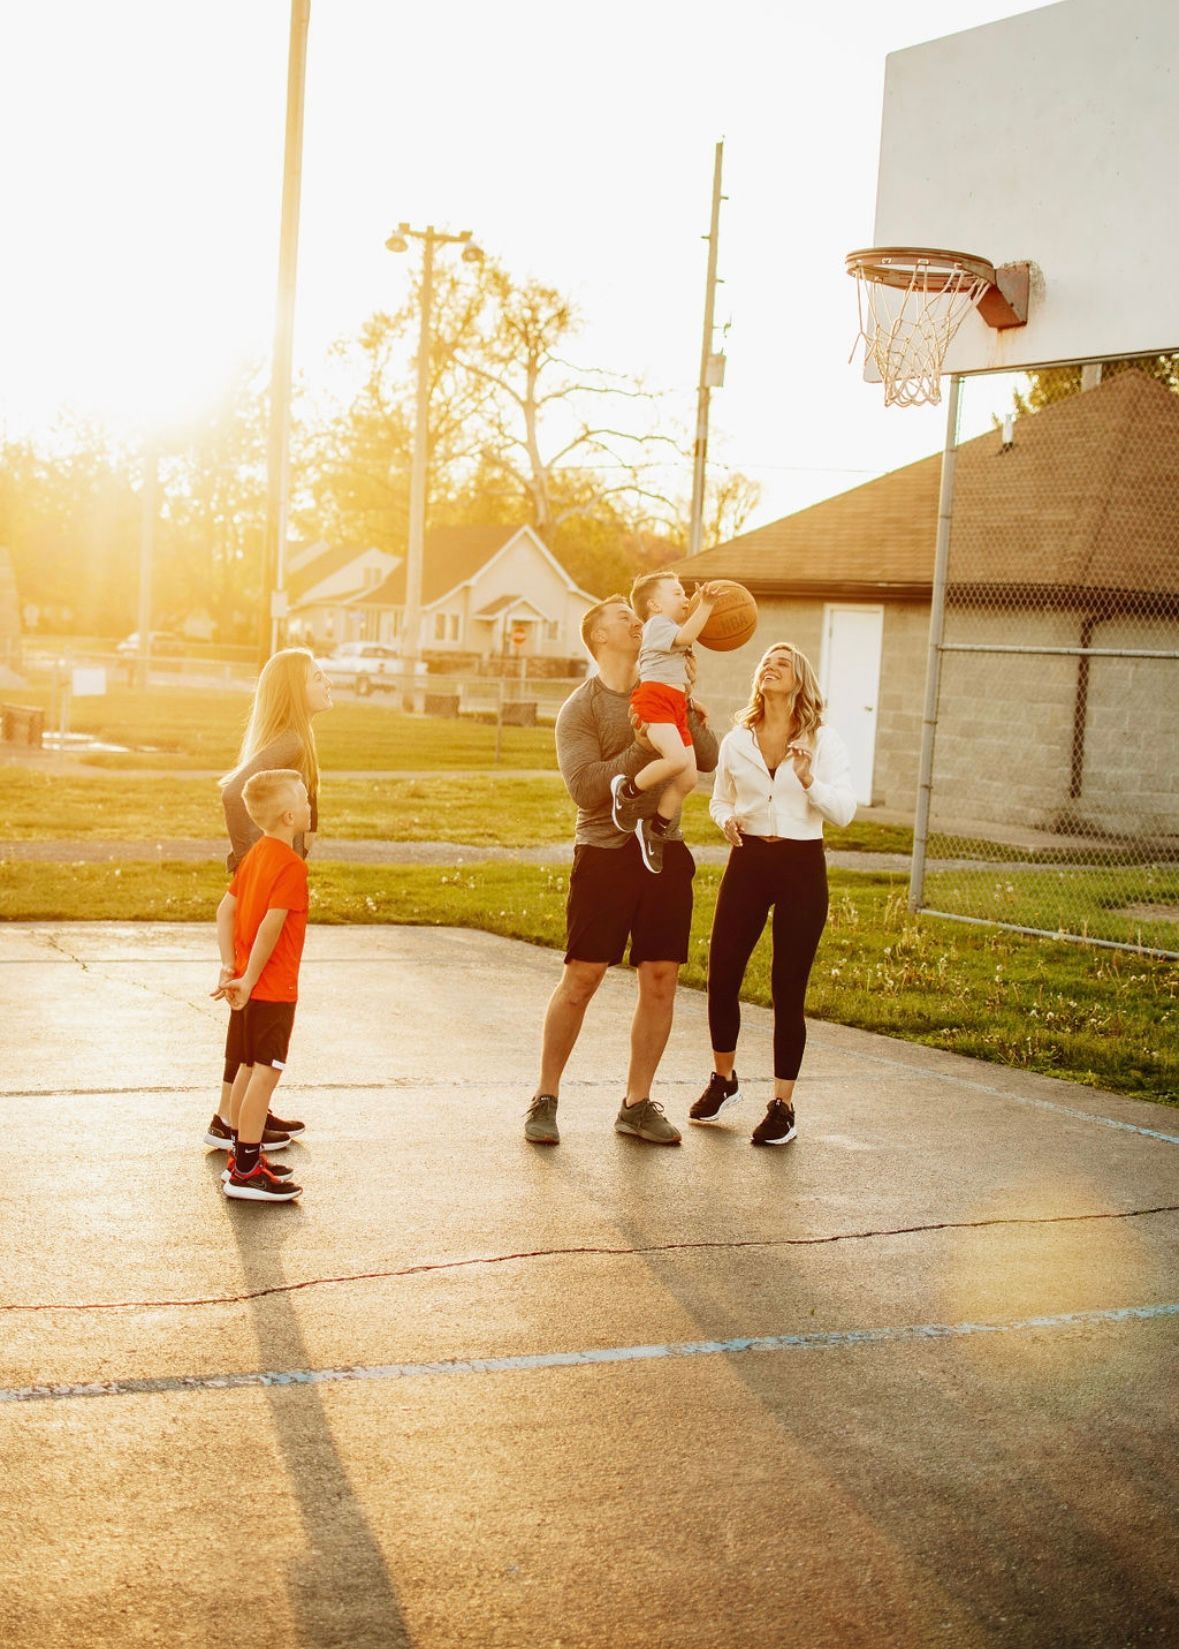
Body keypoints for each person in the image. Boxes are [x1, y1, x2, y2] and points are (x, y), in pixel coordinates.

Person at [524, 594, 719, 1147]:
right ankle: (545, 1097)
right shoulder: (580, 708)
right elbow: (586, 789)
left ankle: (636, 1104)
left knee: (661, 980)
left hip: (664, 850)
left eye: (638, 617)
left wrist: (687, 704)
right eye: (623, 618)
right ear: (599, 637)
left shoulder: (662, 685)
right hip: (604, 853)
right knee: (582, 978)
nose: (637, 621)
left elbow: (706, 757)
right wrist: (638, 750)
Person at [691, 643, 856, 1145]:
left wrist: (808, 780)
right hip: (749, 862)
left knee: (788, 987)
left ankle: (783, 1106)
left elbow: (844, 812)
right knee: (722, 974)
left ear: (799, 679)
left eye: (782, 663)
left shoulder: (822, 741)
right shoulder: (738, 740)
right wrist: (726, 819)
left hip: (801, 865)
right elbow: (719, 799)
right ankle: (724, 1080)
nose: (770, 666)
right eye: (766, 662)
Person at [203, 647, 331, 1154]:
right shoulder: (292, 740)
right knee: (257, 1002)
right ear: (294, 692)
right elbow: (234, 792)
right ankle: (231, 1120)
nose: (327, 682)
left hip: (270, 884)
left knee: (249, 1007)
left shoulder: (299, 739)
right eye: (316, 677)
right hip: (270, 891)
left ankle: (239, 1115)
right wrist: (255, 858)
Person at [211, 769, 311, 1202]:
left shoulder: (255, 854)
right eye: (304, 800)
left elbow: (225, 910)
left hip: (250, 985)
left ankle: (240, 1158)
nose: (310, 805)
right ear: (289, 816)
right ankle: (246, 1171)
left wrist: (229, 966)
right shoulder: (290, 865)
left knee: (248, 1069)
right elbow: (272, 926)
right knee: (264, 1074)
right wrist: (250, 977)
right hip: (270, 988)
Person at [608, 573, 723, 874]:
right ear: (654, 605)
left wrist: (690, 700)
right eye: (677, 593)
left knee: (688, 779)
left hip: (674, 705)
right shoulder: (658, 625)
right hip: (654, 701)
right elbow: (686, 637)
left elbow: (673, 674)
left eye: (685, 594)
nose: (686, 599)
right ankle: (627, 791)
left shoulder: (670, 629)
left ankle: (655, 828)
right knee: (676, 759)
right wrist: (706, 605)